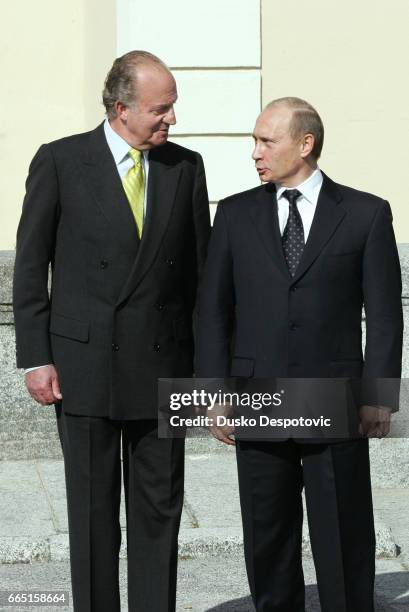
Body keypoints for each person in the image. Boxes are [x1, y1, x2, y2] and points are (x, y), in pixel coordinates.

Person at [13, 50, 210, 612]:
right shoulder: (60, 161)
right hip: (83, 367)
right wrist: (36, 356)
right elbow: (31, 267)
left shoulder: (185, 167)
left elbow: (201, 276)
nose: (171, 119)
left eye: (171, 108)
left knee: (158, 511)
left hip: (163, 365)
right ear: (121, 108)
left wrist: (204, 372)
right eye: (161, 109)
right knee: (94, 512)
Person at [195, 97, 403, 611]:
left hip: (335, 402)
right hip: (256, 399)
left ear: (305, 144)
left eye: (267, 140)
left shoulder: (365, 213)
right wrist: (213, 393)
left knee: (343, 533)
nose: (255, 153)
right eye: (255, 140)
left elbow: (383, 315)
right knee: (267, 536)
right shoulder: (236, 213)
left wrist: (379, 395)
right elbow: (212, 311)